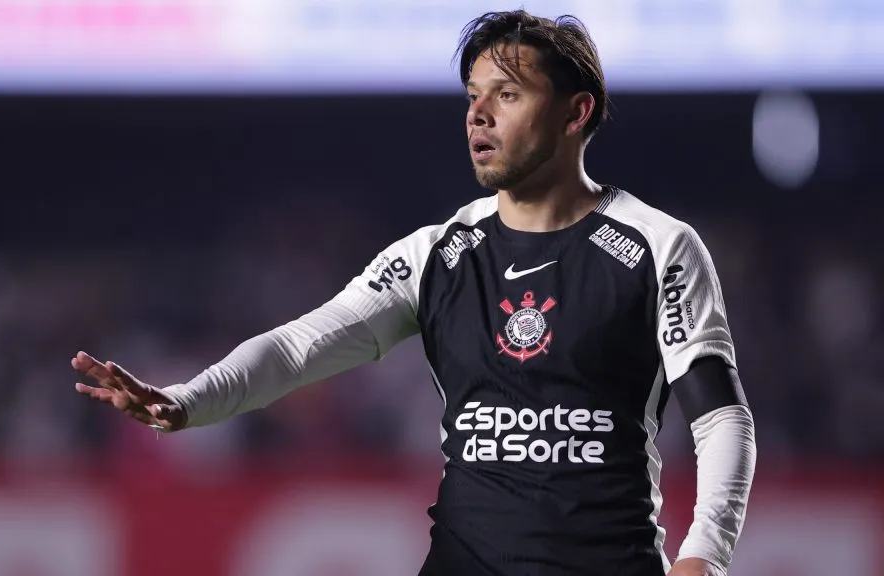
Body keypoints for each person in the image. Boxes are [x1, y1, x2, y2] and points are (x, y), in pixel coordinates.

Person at [72, 10, 756, 576]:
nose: (479, 115)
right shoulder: (436, 256)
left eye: (508, 95)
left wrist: (703, 555)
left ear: (577, 113)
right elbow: (300, 347)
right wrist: (190, 400)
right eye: (472, 97)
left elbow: (722, 421)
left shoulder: (656, 248)